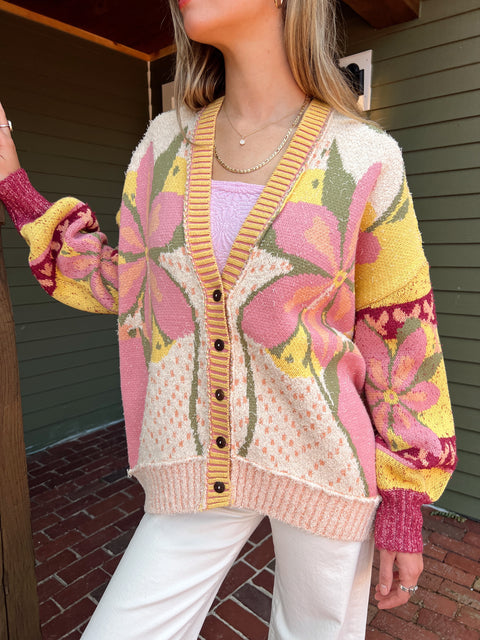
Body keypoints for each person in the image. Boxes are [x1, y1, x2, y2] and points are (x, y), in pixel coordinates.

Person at [0, 0, 456, 638]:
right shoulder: (163, 145)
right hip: (192, 460)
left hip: (327, 469)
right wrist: (13, 181)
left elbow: (401, 335)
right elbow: (130, 285)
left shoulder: (364, 157)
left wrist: (404, 499)